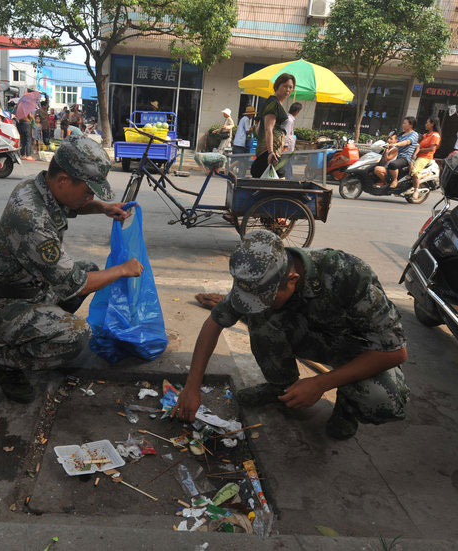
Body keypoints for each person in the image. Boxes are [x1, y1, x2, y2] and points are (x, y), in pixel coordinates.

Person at [0, 136, 144, 402]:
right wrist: (123, 270)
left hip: (29, 288)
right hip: (3, 305)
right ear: (64, 181)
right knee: (77, 334)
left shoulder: (39, 187)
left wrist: (102, 207)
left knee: (89, 269)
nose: (90, 196)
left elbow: (71, 204)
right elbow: (74, 283)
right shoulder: (30, 218)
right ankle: (7, 361)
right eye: (88, 190)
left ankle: (40, 333)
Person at [173, 231, 409, 440]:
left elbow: (396, 352)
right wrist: (192, 387)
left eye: (268, 297)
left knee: (385, 401)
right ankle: (281, 387)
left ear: (292, 279)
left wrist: (320, 383)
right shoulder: (257, 277)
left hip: (356, 350)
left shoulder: (347, 274)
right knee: (260, 317)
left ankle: (347, 407)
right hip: (309, 337)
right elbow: (214, 323)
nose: (260, 303)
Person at [251, 73, 296, 178]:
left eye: (291, 87)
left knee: (269, 186)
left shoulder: (276, 103)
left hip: (272, 152)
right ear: (277, 85)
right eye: (285, 86)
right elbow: (268, 129)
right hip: (269, 153)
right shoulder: (273, 103)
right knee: (280, 180)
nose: (287, 90)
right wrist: (270, 151)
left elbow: (258, 129)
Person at [411, 116, 441, 200]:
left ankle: (416, 190)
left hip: (425, 157)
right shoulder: (425, 135)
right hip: (418, 156)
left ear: (432, 124)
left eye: (427, 122)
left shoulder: (435, 135)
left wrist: (420, 150)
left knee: (415, 171)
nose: (426, 124)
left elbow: (432, 149)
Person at [386, 116, 418, 189]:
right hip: (395, 155)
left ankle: (395, 180)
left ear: (411, 125)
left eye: (404, 123)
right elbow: (393, 140)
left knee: (392, 164)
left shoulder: (414, 134)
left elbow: (407, 142)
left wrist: (396, 144)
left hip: (405, 157)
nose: (402, 124)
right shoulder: (401, 134)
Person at [282, 102, 303, 179]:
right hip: (287, 148)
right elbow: (286, 134)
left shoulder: (289, 118)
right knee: (287, 165)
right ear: (296, 111)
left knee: (288, 164)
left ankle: (288, 178)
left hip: (289, 148)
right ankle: (288, 179)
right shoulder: (289, 120)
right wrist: (285, 146)